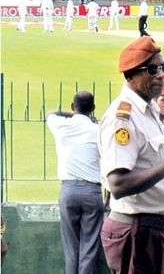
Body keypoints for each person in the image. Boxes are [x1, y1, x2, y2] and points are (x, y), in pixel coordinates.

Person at [98, 36, 164, 274]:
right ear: (130, 76)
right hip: (137, 231)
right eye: (152, 69)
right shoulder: (124, 118)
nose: (161, 75)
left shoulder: (149, 110)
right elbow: (118, 184)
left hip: (153, 229)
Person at [46, 91, 103, 274]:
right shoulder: (99, 129)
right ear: (93, 109)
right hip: (92, 192)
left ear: (73, 107)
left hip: (68, 191)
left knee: (71, 249)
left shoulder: (61, 126)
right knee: (89, 247)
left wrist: (73, 115)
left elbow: (50, 114)